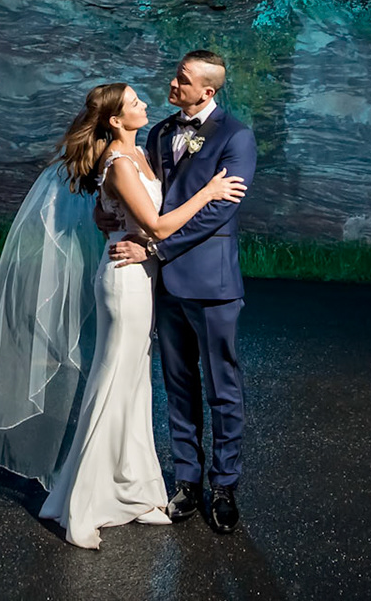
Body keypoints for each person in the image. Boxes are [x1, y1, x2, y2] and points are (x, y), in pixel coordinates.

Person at [0, 81, 244, 550]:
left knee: (134, 387)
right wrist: (212, 190)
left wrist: (104, 214)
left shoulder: (139, 153)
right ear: (116, 120)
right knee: (112, 384)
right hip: (125, 283)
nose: (144, 105)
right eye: (134, 103)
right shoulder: (119, 161)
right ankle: (82, 504)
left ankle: (133, 492)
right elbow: (155, 225)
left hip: (145, 278)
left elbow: (117, 210)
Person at [106, 49, 257, 534]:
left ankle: (224, 486)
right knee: (178, 385)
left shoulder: (237, 137)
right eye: (175, 76)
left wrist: (154, 251)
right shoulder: (161, 132)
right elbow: (148, 196)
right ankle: (188, 482)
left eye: (182, 80)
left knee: (222, 387)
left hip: (211, 284)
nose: (172, 85)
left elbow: (219, 211)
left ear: (207, 92)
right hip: (166, 287)